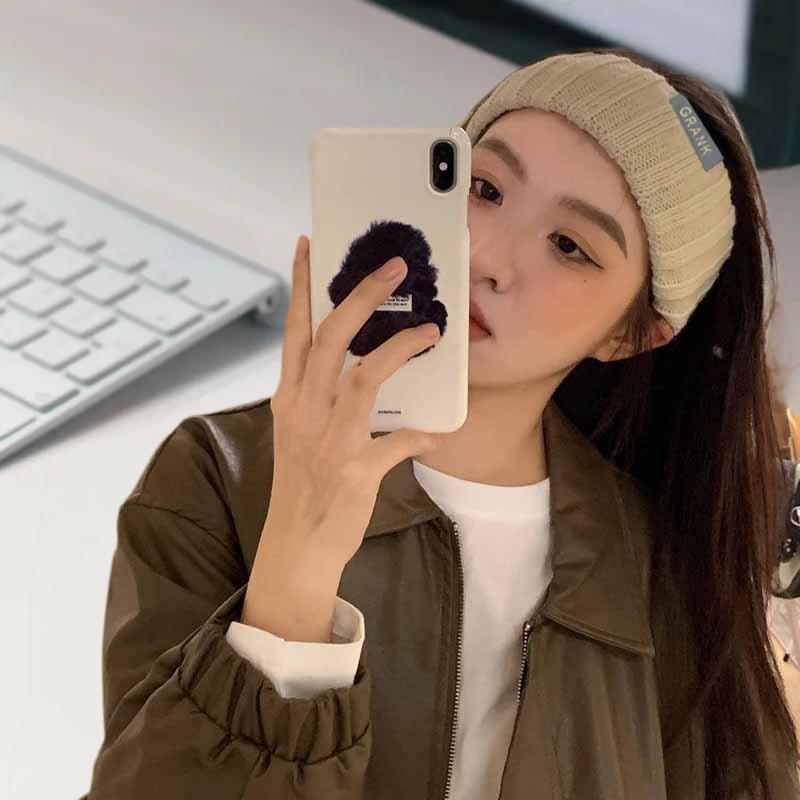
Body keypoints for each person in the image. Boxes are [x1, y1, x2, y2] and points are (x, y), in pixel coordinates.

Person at [82, 47, 800, 799]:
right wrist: (297, 562)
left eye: (569, 246)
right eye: (484, 188)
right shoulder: (217, 479)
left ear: (632, 334)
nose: (483, 255)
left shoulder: (664, 571)